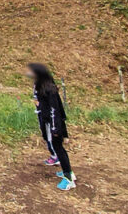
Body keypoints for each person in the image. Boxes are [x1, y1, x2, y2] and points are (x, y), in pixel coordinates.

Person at [25, 62, 75, 191]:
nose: (28, 73)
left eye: (31, 71)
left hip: (54, 123)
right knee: (59, 148)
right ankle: (68, 171)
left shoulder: (49, 89)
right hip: (50, 122)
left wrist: (56, 129)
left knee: (59, 148)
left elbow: (55, 110)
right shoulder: (42, 85)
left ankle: (68, 178)